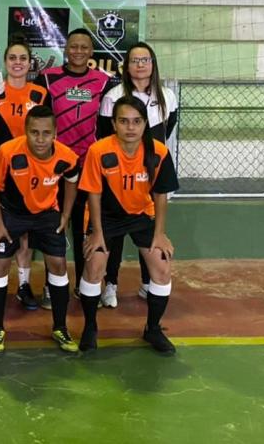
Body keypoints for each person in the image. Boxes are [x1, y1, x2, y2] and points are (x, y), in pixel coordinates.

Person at [77, 96, 180, 355]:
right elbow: (93, 194)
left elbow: (161, 194)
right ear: (114, 123)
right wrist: (97, 232)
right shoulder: (99, 151)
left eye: (136, 121)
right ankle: (90, 327)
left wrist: (159, 234)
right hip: (106, 217)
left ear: (145, 124)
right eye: (123, 121)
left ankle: (153, 329)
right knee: (94, 267)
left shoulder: (159, 152)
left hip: (142, 215)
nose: (130, 127)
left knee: (162, 266)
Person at [0, 106, 81, 353]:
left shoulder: (67, 156)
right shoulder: (7, 152)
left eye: (46, 133)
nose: (40, 139)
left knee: (59, 265)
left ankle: (60, 327)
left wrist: (66, 215)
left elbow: (72, 181)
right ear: (25, 131)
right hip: (11, 214)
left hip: (47, 215)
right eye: (34, 132)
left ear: (55, 133)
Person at [34, 28, 115, 305]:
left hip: (89, 167)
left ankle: (86, 284)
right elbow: (38, 121)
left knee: (86, 229)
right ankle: (50, 285)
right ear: (65, 50)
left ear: (91, 53)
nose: (78, 51)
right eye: (73, 47)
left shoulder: (105, 81)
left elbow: (109, 124)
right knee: (54, 228)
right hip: (56, 167)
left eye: (84, 47)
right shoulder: (48, 78)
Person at [97, 42, 179, 309]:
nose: (140, 65)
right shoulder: (113, 95)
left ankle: (148, 282)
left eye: (145, 60)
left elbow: (165, 134)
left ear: (153, 64)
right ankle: (110, 284)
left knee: (150, 229)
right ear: (126, 66)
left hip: (150, 178)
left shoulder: (167, 96)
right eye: (135, 60)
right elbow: (104, 136)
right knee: (116, 234)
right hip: (118, 177)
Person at [0, 35, 47, 309]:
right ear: (5, 62)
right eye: (12, 58)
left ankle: (24, 286)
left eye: (23, 59)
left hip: (31, 172)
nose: (17, 63)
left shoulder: (39, 94)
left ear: (30, 64)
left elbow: (44, 132)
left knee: (25, 233)